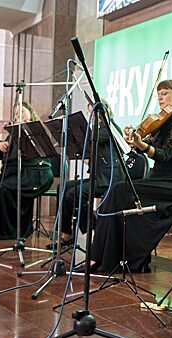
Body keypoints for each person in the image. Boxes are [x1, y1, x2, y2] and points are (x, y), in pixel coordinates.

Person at [87, 79, 172, 273]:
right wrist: (134, 139)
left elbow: (163, 155)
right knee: (118, 192)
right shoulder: (161, 122)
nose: (160, 98)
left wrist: (142, 144)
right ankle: (107, 257)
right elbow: (138, 146)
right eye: (158, 94)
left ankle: (106, 258)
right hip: (160, 180)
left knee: (120, 190)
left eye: (165, 93)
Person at [0, 101, 54, 240]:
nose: (18, 114)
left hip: (36, 173)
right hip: (17, 173)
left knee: (1, 190)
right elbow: (7, 153)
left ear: (31, 114)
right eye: (16, 113)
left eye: (22, 111)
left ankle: (9, 230)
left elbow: (37, 150)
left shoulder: (36, 130)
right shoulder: (14, 132)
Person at [52, 100, 124, 248]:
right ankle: (66, 232)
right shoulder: (96, 131)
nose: (91, 117)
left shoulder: (110, 128)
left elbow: (89, 137)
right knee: (63, 187)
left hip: (109, 179)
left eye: (93, 113)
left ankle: (96, 226)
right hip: (98, 177)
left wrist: (68, 126)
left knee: (73, 194)